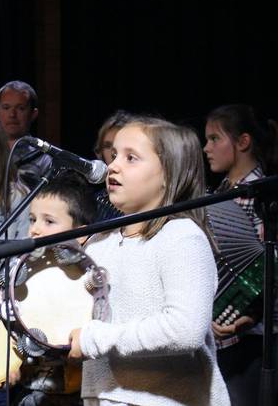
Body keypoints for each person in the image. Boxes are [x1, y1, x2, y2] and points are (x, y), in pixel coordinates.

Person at [69, 116, 230, 405]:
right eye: (114, 154)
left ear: (169, 174)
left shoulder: (181, 237)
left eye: (131, 158)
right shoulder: (100, 242)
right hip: (104, 396)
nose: (113, 165)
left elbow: (184, 329)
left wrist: (95, 340)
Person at [203, 104, 278, 405]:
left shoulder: (265, 194)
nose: (206, 148)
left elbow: (272, 262)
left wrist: (248, 313)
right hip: (220, 331)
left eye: (215, 139)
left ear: (242, 142)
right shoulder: (218, 194)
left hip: (256, 334)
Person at [10, 172, 97, 406]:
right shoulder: (19, 271)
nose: (35, 229)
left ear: (82, 234)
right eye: (32, 219)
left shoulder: (92, 277)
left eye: (49, 221)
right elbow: (7, 321)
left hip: (77, 392)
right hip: (27, 389)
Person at [0, 80, 51, 188]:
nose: (12, 114)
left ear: (33, 114)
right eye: (6, 108)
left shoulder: (44, 158)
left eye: (20, 108)